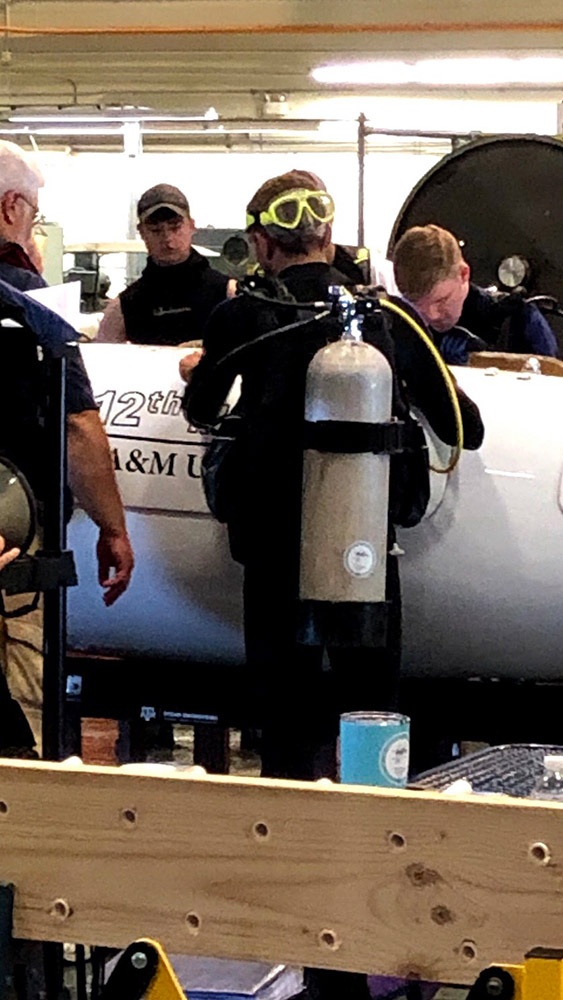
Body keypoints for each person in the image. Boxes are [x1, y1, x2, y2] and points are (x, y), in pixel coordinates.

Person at [183, 169, 484, 785]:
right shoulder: (388, 320)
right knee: (372, 722)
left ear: (263, 245)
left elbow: (201, 411)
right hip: (363, 554)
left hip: (273, 556)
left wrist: (201, 368)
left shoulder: (242, 316)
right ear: (329, 236)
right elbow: (463, 429)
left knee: (285, 734)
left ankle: (285, 858)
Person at [0, 140, 134, 754]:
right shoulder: (31, 306)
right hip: (13, 539)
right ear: (12, 209)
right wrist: (114, 527)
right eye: (33, 215)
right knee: (23, 708)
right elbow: (78, 425)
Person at [393, 223, 558, 364]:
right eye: (417, 305)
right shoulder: (397, 330)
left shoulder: (519, 320)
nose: (432, 315)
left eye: (441, 300)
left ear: (464, 274)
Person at [97, 183, 235, 345]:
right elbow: (101, 361)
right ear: (141, 232)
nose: (167, 239)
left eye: (175, 227)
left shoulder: (228, 293)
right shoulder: (123, 308)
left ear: (192, 226)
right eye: (156, 230)